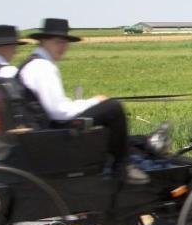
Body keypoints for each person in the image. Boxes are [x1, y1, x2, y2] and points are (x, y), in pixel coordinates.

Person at [18, 18, 148, 184]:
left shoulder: (30, 64)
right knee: (113, 108)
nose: (63, 47)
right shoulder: (43, 67)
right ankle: (122, 166)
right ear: (43, 41)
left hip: (41, 131)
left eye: (65, 43)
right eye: (58, 42)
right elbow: (59, 111)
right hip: (53, 134)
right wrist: (94, 101)